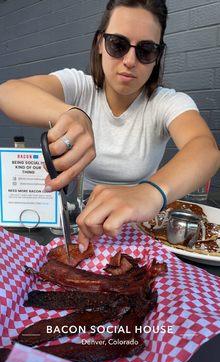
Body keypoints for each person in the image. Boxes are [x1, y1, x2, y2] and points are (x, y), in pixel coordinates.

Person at [0, 0, 219, 252]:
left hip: (138, 228)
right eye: (118, 44)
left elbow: (205, 149)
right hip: (72, 222)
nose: (129, 60)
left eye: (146, 50)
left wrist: (149, 193)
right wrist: (71, 113)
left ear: (157, 56)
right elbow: (8, 92)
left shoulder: (167, 102)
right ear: (100, 44)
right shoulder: (79, 86)